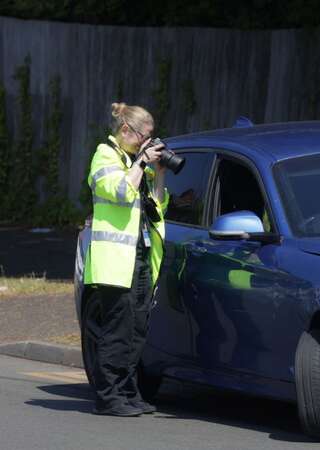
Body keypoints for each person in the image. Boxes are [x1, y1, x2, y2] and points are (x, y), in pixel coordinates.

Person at [83, 102, 169, 416]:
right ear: (125, 130)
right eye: (142, 137)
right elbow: (119, 193)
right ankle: (108, 397)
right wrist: (140, 164)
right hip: (114, 262)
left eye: (150, 138)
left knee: (137, 328)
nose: (146, 143)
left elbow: (156, 207)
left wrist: (157, 174)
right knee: (117, 329)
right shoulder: (104, 156)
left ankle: (129, 392)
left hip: (141, 255)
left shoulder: (134, 161)